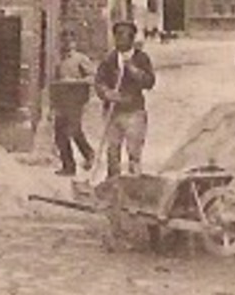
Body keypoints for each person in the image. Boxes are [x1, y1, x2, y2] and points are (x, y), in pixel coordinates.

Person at [94, 20, 156, 178]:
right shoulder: (109, 59)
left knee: (134, 152)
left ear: (132, 38)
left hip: (134, 111)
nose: (121, 38)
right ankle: (112, 186)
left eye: (125, 35)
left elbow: (149, 82)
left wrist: (133, 70)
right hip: (112, 113)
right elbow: (99, 82)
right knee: (112, 152)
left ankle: (134, 186)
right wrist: (106, 93)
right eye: (118, 35)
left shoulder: (141, 58)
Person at [51, 35, 96, 176]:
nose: (66, 45)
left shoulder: (80, 59)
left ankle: (88, 153)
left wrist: (75, 81)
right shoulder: (57, 61)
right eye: (63, 42)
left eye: (69, 41)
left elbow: (93, 78)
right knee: (59, 134)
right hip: (62, 101)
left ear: (74, 44)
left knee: (74, 130)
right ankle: (68, 167)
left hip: (76, 100)